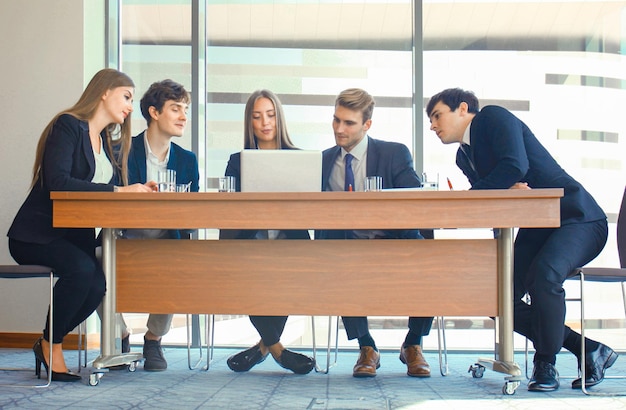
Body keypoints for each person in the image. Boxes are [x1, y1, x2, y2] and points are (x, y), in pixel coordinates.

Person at [426, 87, 618, 392]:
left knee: (544, 276)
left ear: (462, 108)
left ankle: (546, 364)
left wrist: (479, 195)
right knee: (497, 295)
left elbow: (515, 166)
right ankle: (587, 348)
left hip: (577, 218)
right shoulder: (464, 157)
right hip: (537, 226)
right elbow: (494, 198)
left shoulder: (493, 117)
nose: (433, 125)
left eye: (437, 115)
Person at [7, 68, 157, 382]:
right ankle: (52, 345)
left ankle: (48, 342)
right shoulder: (69, 126)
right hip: (36, 234)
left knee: (97, 287)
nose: (131, 106)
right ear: (104, 91)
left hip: (73, 239)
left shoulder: (106, 143)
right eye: (126, 96)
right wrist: (118, 191)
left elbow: (104, 196)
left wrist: (136, 192)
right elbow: (58, 182)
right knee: (82, 272)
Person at [318, 88, 434, 378]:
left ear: (366, 125)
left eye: (348, 123)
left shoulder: (394, 153)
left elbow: (413, 198)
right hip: (349, 249)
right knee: (338, 265)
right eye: (336, 120)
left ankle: (413, 344)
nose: (339, 129)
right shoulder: (322, 160)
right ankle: (366, 347)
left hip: (395, 243)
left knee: (432, 264)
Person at [108, 79, 200, 371]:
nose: (184, 116)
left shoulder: (187, 160)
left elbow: (194, 213)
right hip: (123, 240)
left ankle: (153, 338)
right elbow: (108, 198)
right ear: (154, 112)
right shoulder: (121, 150)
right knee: (93, 262)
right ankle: (119, 333)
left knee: (182, 263)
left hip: (165, 243)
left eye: (185, 109)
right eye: (176, 109)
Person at [222, 89, 316, 375]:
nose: (265, 122)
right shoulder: (237, 160)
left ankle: (263, 347)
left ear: (280, 119)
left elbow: (311, 207)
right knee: (252, 273)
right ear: (249, 122)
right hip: (250, 246)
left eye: (271, 115)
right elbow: (229, 206)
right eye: (257, 116)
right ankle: (278, 350)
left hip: (291, 246)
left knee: (287, 274)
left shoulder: (299, 158)